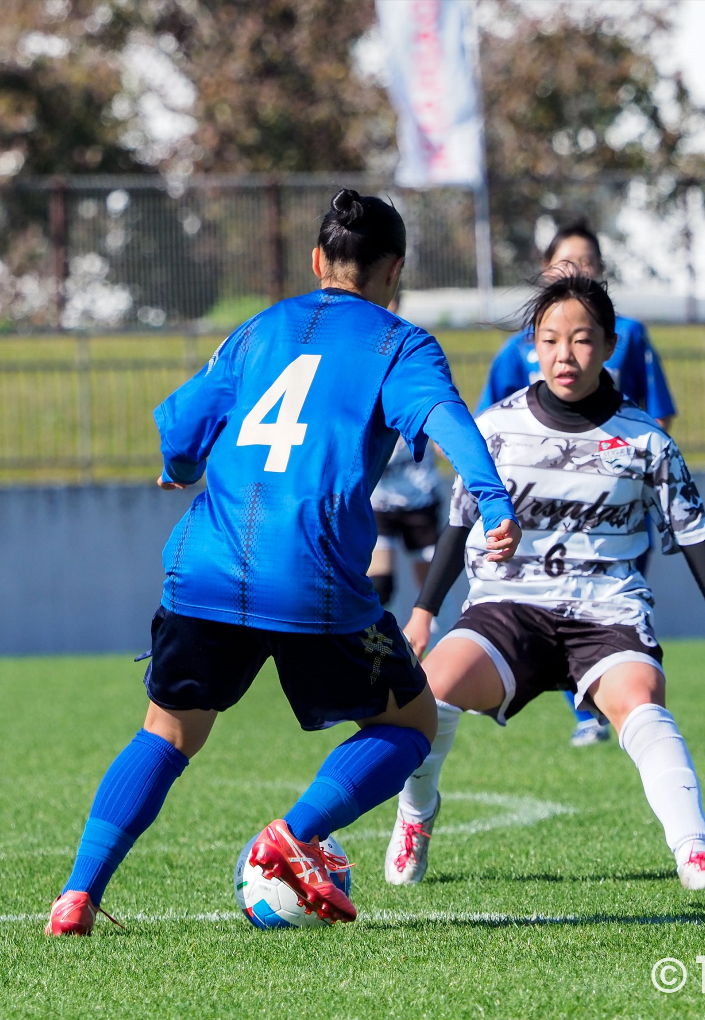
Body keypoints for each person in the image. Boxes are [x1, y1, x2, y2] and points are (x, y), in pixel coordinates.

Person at [45, 189, 522, 935]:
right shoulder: (400, 345)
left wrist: (179, 466)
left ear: (317, 260)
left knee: (167, 732)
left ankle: (78, 894)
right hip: (312, 575)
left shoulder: (260, 328)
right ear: (395, 269)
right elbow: (447, 422)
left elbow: (183, 424)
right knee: (412, 722)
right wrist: (493, 503)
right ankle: (293, 837)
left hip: (206, 566)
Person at [385, 274, 705, 891]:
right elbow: (459, 523)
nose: (565, 354)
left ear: (609, 345)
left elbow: (693, 532)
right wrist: (424, 612)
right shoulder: (495, 429)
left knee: (643, 702)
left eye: (582, 340)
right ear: (533, 346)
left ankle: (693, 850)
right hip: (509, 606)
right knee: (433, 690)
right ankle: (416, 817)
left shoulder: (647, 440)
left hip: (607, 611)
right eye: (551, 339)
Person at [477, 218, 677, 748]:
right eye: (566, 263)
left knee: (604, 603)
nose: (577, 271)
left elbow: (657, 416)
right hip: (538, 511)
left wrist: (646, 478)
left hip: (610, 505)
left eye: (588, 262)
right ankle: (585, 712)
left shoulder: (627, 335)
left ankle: (605, 703)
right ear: (546, 271)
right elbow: (484, 428)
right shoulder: (518, 348)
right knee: (544, 602)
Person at [368, 435, 442, 607]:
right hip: (379, 503)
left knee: (432, 591)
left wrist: (445, 440)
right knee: (379, 587)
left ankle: (439, 624)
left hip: (420, 502)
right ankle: (383, 625)